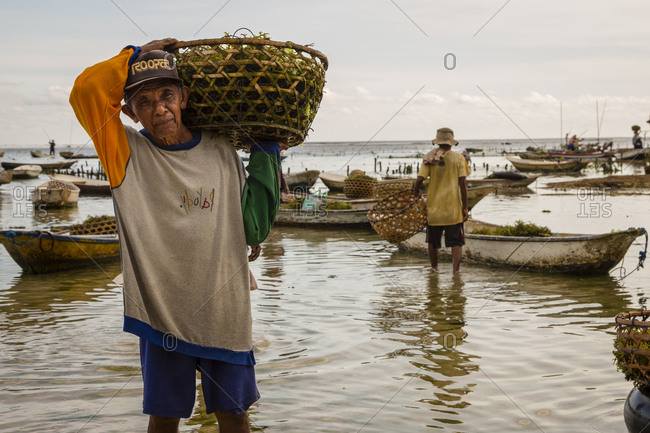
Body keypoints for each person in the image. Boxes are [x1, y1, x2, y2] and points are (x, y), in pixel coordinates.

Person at [70, 38, 281, 433]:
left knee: (234, 415)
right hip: (161, 313)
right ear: (130, 112)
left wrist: (268, 155)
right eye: (144, 102)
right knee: (165, 418)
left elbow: (252, 227)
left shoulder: (221, 150)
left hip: (225, 311)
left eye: (166, 95)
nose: (158, 108)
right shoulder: (123, 153)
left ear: (183, 97)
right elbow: (86, 91)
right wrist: (134, 54)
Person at [412, 127, 470, 274]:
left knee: (433, 242)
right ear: (451, 143)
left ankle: (434, 269)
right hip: (453, 210)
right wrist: (465, 207)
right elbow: (462, 183)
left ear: (438, 142)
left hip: (434, 209)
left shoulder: (429, 158)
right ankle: (456, 273)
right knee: (456, 243)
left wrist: (415, 191)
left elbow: (420, 178)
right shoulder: (459, 158)